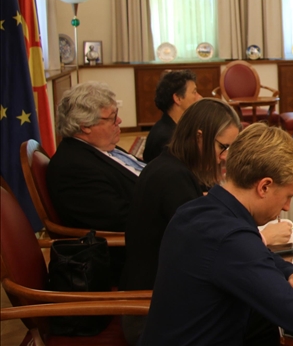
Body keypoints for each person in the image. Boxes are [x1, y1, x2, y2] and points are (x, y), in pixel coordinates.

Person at [139, 123, 293, 345]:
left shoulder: (196, 210)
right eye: (288, 196)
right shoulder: (230, 238)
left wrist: (290, 273)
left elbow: (259, 255)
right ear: (264, 187)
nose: (287, 207)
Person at [120, 98, 242, 344]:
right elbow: (208, 250)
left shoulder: (171, 166)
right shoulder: (172, 178)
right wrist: (262, 237)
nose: (224, 157)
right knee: (257, 314)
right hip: (150, 313)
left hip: (164, 298)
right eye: (223, 147)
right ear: (199, 138)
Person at [47, 81, 143, 232]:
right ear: (85, 126)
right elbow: (122, 219)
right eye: (112, 117)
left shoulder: (99, 146)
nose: (119, 121)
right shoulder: (74, 169)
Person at [142, 69, 202, 163]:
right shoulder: (167, 139)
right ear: (177, 98)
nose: (200, 97)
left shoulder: (174, 127)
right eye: (194, 92)